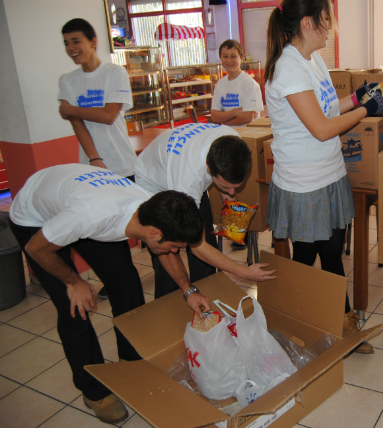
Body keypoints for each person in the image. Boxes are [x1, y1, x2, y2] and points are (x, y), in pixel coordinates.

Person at [9, 164, 210, 424]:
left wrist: (188, 290)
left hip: (77, 201)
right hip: (34, 221)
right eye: (175, 245)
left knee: (127, 287)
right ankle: (93, 391)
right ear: (154, 234)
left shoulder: (149, 209)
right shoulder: (91, 215)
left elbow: (166, 251)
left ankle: (130, 359)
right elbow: (36, 249)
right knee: (75, 308)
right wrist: (74, 281)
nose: (175, 251)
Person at [265, 0, 383, 354]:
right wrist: (365, 110)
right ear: (308, 23)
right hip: (304, 183)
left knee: (331, 253)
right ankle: (291, 318)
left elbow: (325, 108)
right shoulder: (288, 68)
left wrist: (358, 97)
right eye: (327, 19)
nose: (331, 26)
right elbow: (323, 129)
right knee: (308, 258)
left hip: (329, 173)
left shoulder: (313, 60)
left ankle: (336, 323)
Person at [133, 122, 276, 298]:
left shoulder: (233, 143)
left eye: (236, 187)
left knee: (208, 243)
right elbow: (198, 247)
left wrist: (233, 224)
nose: (231, 193)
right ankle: (167, 305)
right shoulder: (188, 180)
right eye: (225, 186)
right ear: (209, 168)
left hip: (183, 170)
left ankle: (207, 297)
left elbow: (228, 191)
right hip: (153, 182)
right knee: (168, 251)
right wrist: (244, 272)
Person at [58, 18, 137, 300]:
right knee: (107, 231)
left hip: (123, 164)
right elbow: (76, 124)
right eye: (66, 43)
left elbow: (107, 115)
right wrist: (94, 158)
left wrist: (71, 108)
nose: (71, 48)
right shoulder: (67, 81)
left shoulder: (114, 73)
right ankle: (121, 282)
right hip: (93, 167)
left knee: (140, 223)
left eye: (76, 41)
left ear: (93, 42)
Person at [209, 39, 264, 127]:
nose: (229, 60)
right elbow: (214, 117)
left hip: (247, 136)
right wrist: (236, 112)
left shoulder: (249, 83)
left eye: (233, 56)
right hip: (227, 135)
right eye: (225, 56)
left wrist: (224, 121)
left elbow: (246, 118)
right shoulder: (220, 84)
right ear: (221, 58)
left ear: (241, 58)